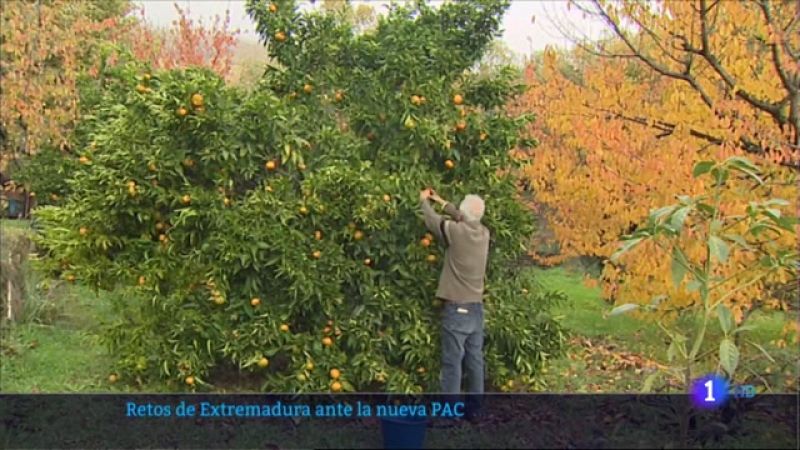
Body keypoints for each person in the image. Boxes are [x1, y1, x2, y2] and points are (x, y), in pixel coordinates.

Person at [419, 188, 490, 397]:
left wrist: (424, 202)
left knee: (452, 363)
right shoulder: (484, 233)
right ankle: (475, 410)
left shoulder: (456, 232)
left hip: (457, 308)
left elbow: (433, 222)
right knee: (475, 361)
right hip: (476, 308)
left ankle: (449, 414)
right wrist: (442, 201)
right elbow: (463, 217)